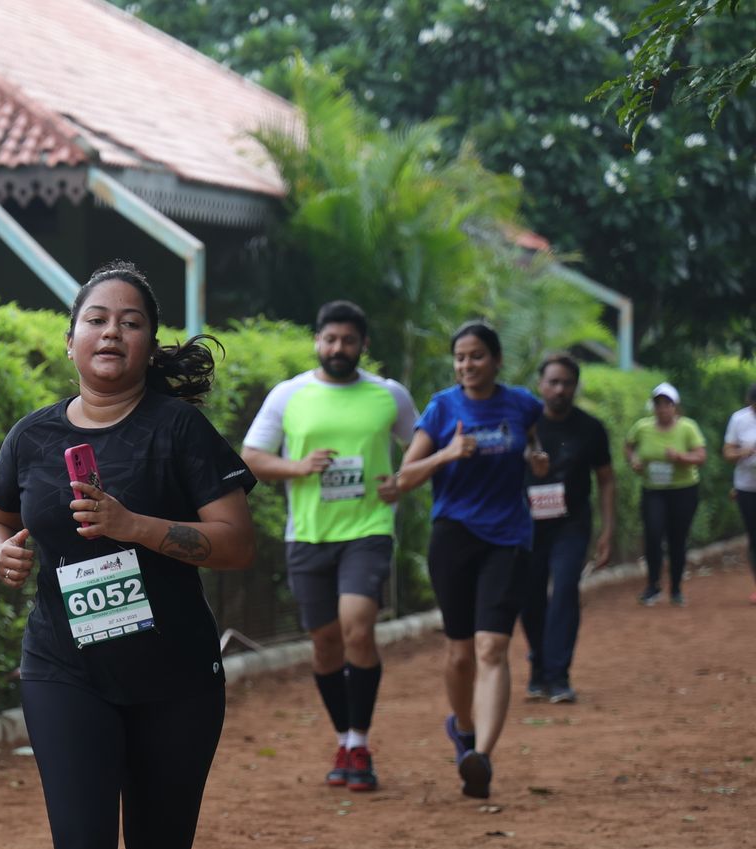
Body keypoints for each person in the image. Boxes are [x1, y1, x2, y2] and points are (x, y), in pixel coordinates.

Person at [0, 261, 255, 849]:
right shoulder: (30, 438)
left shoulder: (178, 432)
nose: (110, 333)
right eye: (96, 319)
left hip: (174, 679)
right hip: (68, 673)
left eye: (130, 322)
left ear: (149, 342)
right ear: (70, 339)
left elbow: (238, 543)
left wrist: (134, 527)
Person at [242, 300, 416, 792]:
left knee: (357, 629)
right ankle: (343, 736)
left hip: (368, 528)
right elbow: (252, 457)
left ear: (363, 346)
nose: (338, 348)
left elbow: (422, 443)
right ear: (317, 341)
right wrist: (297, 467)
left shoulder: (389, 396)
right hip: (309, 535)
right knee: (324, 643)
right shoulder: (289, 394)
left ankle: (360, 742)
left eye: (349, 340)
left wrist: (401, 482)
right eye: (330, 339)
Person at [395, 321, 550, 801]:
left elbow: (535, 445)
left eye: (477, 356)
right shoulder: (443, 408)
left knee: (491, 648)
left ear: (496, 360)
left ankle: (481, 755)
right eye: (460, 357)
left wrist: (538, 460)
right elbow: (403, 478)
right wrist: (447, 454)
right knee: (460, 652)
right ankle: (463, 729)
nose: (467, 365)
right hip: (454, 538)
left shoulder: (523, 404)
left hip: (508, 538)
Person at [518, 354, 616, 703]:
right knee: (529, 598)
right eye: (553, 382)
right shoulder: (522, 426)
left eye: (567, 383)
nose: (559, 389)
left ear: (575, 387)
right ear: (541, 385)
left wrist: (608, 529)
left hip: (571, 524)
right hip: (527, 526)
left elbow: (606, 479)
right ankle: (538, 666)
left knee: (564, 590)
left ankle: (558, 676)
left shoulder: (590, 429)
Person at [624, 383, 710, 607]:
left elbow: (700, 457)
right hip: (653, 490)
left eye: (667, 404)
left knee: (677, 539)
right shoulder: (642, 427)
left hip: (683, 490)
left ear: (675, 407)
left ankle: (676, 588)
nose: (662, 409)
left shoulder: (687, 428)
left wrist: (681, 457)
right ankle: (653, 586)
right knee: (653, 535)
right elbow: (629, 445)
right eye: (658, 404)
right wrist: (633, 460)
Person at [724, 383, 756, 605]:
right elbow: (727, 452)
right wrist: (743, 452)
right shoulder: (739, 420)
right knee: (755, 537)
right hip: (747, 486)